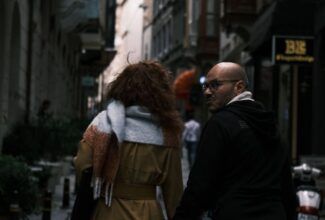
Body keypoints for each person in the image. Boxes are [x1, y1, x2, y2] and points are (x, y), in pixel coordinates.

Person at [173, 62, 297, 220]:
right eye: (205, 86)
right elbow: (287, 187)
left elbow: (199, 187)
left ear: (239, 87)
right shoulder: (270, 124)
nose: (207, 92)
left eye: (215, 85)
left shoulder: (220, 123)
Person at [72, 61, 184, 220]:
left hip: (108, 209)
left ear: (122, 87)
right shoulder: (168, 133)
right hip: (149, 213)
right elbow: (174, 192)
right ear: (162, 93)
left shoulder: (103, 122)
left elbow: (82, 165)